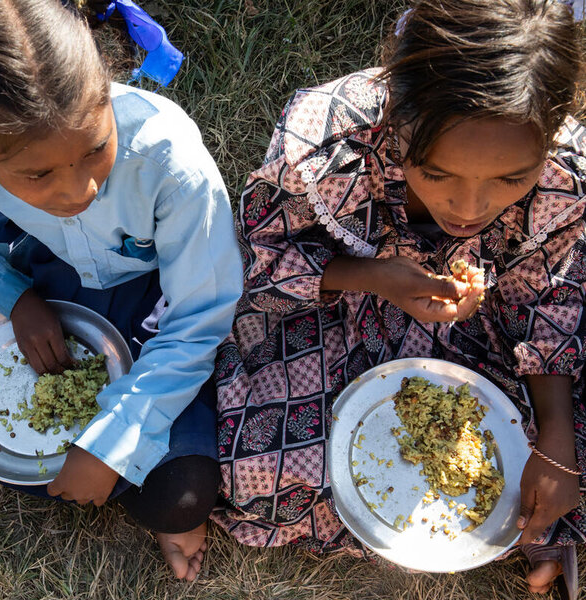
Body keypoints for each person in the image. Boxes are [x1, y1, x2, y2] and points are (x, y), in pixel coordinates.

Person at [210, 0, 586, 596]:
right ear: (395, 117)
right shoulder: (331, 141)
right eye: (436, 174)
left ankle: (536, 520)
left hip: (486, 334)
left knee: (549, 475)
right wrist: (377, 277)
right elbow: (261, 257)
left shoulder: (565, 176)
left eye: (510, 181)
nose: (468, 209)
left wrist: (558, 447)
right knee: (254, 472)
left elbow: (548, 303)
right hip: (337, 306)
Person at [0, 0, 242, 581]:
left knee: (181, 497)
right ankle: (80, 472)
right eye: (38, 176)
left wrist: (114, 441)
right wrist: (14, 297)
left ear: (107, 93)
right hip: (44, 282)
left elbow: (199, 315)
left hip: (155, 311)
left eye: (95, 148)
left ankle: (115, 477)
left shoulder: (169, 159)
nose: (80, 189)